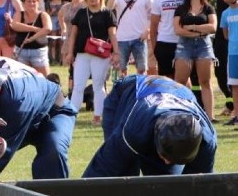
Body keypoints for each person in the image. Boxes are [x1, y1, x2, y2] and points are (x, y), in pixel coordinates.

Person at [0, 55, 75, 179]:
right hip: (20, 113)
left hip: (52, 112)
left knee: (53, 151)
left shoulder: (16, 100)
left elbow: (0, 153)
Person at [82, 75, 216, 177]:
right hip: (125, 96)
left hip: (167, 95)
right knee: (121, 177)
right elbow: (102, 172)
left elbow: (198, 187)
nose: (168, 162)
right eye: (166, 156)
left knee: (166, 185)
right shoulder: (134, 131)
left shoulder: (207, 140)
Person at [64, 0, 119, 124]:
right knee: (78, 86)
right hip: (82, 53)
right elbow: (73, 34)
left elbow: (112, 34)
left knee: (98, 86)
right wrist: (70, 53)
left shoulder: (107, 13)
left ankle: (97, 116)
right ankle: (72, 115)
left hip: (101, 55)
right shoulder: (82, 13)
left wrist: (116, 52)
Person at [173, 0, 217, 121]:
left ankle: (210, 117)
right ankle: (181, 113)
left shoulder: (208, 8)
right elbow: (178, 30)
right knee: (180, 81)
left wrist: (193, 28)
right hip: (184, 46)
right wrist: (200, 31)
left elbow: (213, 27)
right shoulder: (181, 9)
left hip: (204, 46)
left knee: (205, 81)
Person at [107, 0, 152, 76]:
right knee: (121, 69)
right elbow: (108, 7)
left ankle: (140, 91)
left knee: (141, 69)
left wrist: (148, 31)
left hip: (139, 38)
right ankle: (122, 90)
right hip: (122, 38)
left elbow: (153, 17)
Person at [149, 0, 185, 79]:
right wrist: (155, 48)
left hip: (184, 41)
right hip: (164, 42)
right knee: (166, 79)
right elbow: (153, 25)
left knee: (183, 78)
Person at [9, 0, 51, 77]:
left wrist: (32, 38)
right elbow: (14, 25)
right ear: (24, 3)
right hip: (21, 52)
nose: (31, 3)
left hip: (39, 52)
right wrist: (34, 29)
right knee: (22, 78)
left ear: (38, 3)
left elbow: (48, 28)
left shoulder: (43, 15)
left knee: (44, 78)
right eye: (28, 1)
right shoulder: (19, 14)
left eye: (34, 1)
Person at [215, 0, 238, 116]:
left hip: (234, 39)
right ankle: (231, 103)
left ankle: (234, 107)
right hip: (221, 37)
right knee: (220, 72)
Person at [47, 0, 63, 64]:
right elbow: (47, 15)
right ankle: (53, 59)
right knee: (53, 41)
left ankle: (61, 59)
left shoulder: (62, 2)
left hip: (60, 20)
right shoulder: (49, 2)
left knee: (61, 41)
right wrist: (52, 12)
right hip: (52, 20)